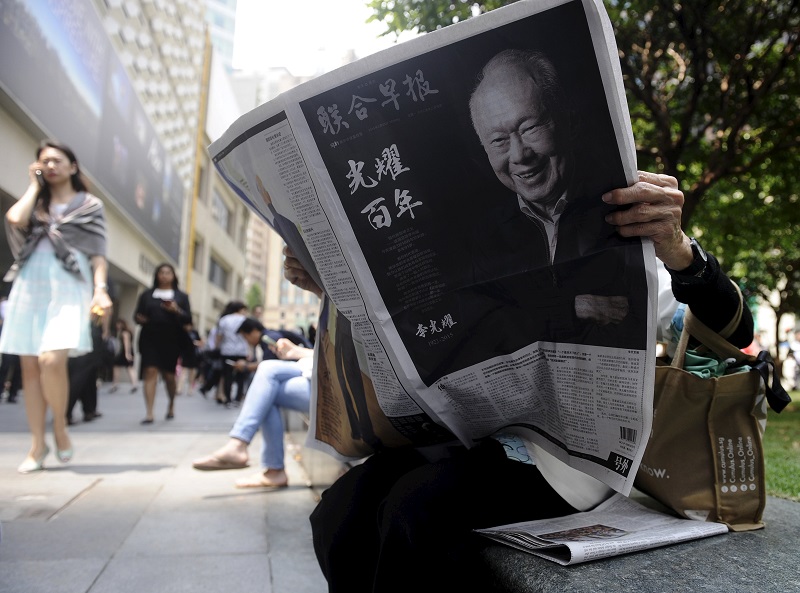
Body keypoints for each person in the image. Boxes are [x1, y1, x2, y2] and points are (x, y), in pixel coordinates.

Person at [295, 169, 754, 592]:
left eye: (529, 128)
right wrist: (330, 283)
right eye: (499, 139)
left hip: (558, 460)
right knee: (340, 511)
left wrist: (678, 250)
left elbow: (731, 331)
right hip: (457, 438)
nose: (520, 155)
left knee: (416, 510)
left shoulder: (610, 238)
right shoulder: (464, 244)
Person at [0, 140, 112, 473]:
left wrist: (101, 290)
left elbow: (98, 253)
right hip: (30, 283)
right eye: (44, 161)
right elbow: (15, 218)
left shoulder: (90, 205)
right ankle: (37, 446)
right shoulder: (37, 203)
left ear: (72, 166)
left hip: (69, 284)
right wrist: (34, 186)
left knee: (51, 359)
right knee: (30, 367)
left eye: (57, 160)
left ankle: (59, 428)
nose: (50, 165)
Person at [191, 316, 314, 489]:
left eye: (245, 336)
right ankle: (273, 471)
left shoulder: (267, 337)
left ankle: (240, 446)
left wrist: (295, 352)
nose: (245, 340)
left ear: (253, 332)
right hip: (311, 373)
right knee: (266, 392)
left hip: (326, 381)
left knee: (267, 371)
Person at [134, 263, 192, 424]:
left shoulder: (181, 297)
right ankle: (149, 413)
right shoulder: (147, 295)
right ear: (157, 275)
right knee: (150, 372)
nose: (164, 275)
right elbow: (136, 315)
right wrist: (140, 318)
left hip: (172, 340)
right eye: (161, 272)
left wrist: (176, 310)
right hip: (150, 338)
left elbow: (188, 320)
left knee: (169, 376)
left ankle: (171, 404)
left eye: (168, 272)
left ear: (173, 276)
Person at [215, 300, 250, 406]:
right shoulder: (245, 320)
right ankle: (238, 399)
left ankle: (228, 399)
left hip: (227, 351)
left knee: (227, 376)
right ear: (239, 309)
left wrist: (217, 347)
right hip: (241, 351)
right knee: (240, 376)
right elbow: (248, 336)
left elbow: (219, 336)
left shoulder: (224, 320)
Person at [110, 318, 139, 393]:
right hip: (128, 351)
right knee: (129, 368)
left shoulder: (124, 333)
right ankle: (134, 384)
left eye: (118, 324)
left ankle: (115, 384)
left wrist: (127, 354)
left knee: (119, 367)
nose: (117, 326)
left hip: (124, 352)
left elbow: (126, 343)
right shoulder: (128, 332)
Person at [176, 323, 203, 395]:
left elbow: (201, 342)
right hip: (185, 354)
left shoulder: (195, 333)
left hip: (193, 355)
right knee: (183, 371)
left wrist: (196, 343)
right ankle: (179, 388)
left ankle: (190, 388)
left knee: (192, 373)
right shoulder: (183, 332)